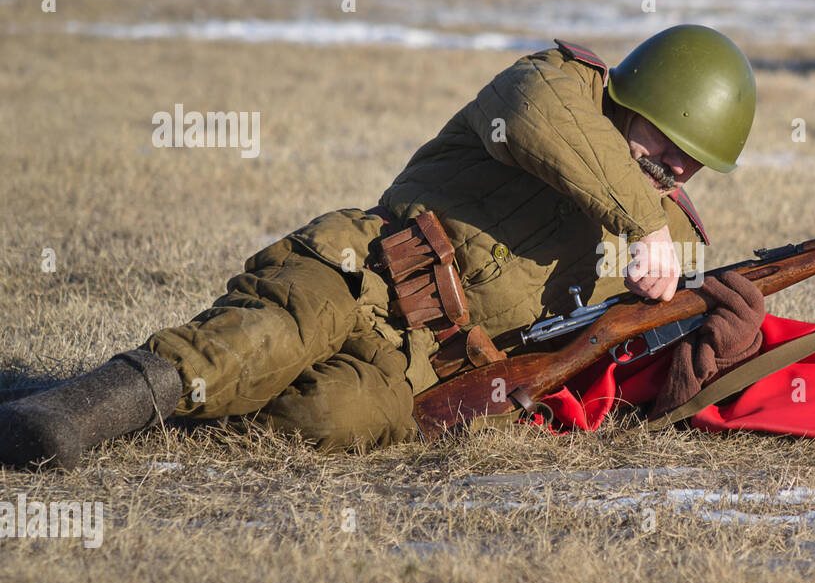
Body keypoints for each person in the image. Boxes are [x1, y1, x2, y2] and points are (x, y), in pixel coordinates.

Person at [0, 24, 759, 468]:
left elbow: (625, 368)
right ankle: (62, 420)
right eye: (670, 143)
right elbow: (537, 122)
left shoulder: (675, 239)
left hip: (428, 364)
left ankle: (131, 404)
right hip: (367, 269)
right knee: (264, 336)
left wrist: (721, 335)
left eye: (694, 163)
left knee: (329, 421)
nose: (679, 169)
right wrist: (644, 222)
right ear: (636, 100)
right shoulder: (556, 85)